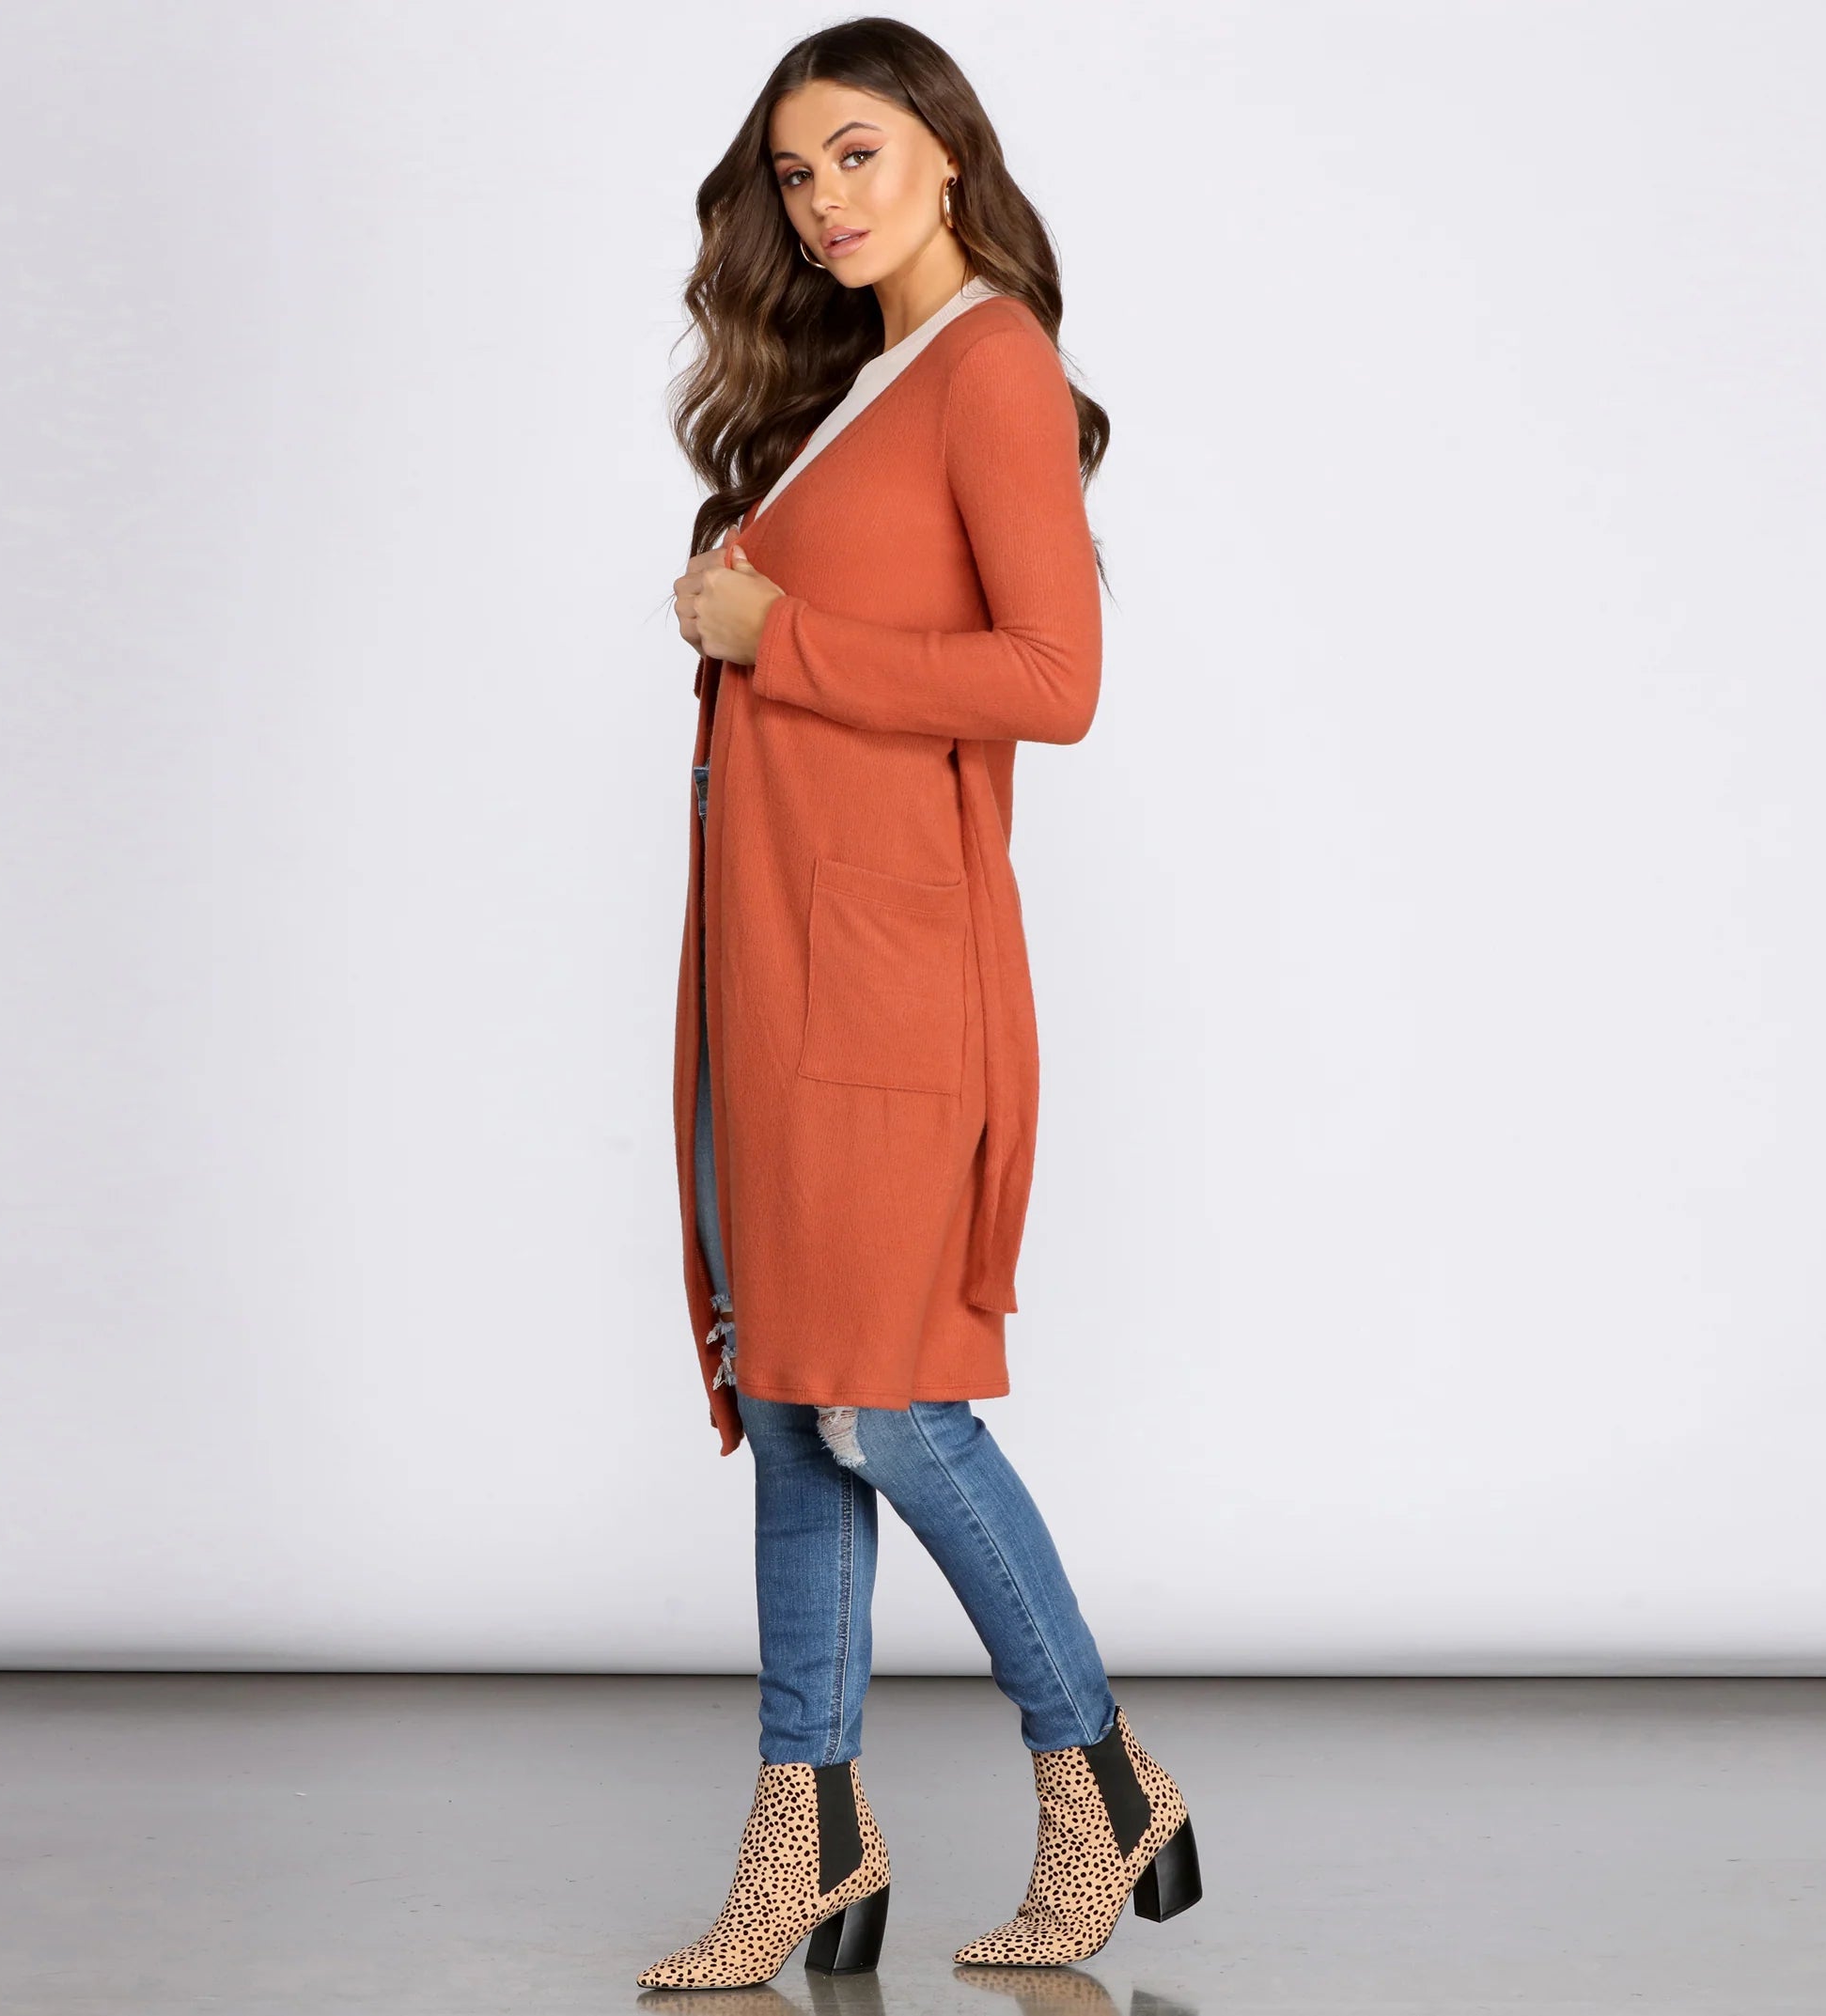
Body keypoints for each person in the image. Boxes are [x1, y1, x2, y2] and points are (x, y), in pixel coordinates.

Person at [644, 20, 1201, 1993]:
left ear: (947, 151)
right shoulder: (855, 388)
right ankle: (807, 1827)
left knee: (886, 1401)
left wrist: (776, 630)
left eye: (858, 155)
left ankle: (1099, 1772)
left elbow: (1054, 677)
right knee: (802, 1397)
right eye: (796, 175)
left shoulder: (990, 365)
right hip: (774, 965)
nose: (825, 201)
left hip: (886, 978)